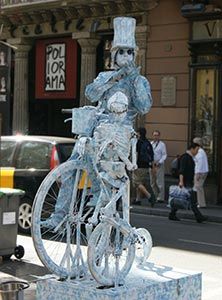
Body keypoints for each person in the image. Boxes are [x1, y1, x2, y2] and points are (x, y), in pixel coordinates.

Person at [85, 17, 152, 125]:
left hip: (126, 130)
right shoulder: (104, 76)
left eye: (129, 52)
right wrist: (114, 78)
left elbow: (144, 108)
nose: (126, 55)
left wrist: (135, 79)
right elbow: (90, 95)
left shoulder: (141, 80)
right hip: (103, 126)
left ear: (134, 55)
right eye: (121, 51)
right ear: (114, 55)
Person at [168, 143, 207, 223]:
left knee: (180, 198)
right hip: (185, 182)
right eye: (196, 150)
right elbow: (181, 171)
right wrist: (181, 181)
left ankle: (172, 214)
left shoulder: (189, 157)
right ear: (192, 149)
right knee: (191, 199)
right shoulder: (185, 157)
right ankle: (198, 217)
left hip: (188, 181)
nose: (197, 152)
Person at [132, 127, 154, 206]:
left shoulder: (138, 142)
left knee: (136, 182)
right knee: (140, 182)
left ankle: (149, 196)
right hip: (146, 165)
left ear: (139, 133)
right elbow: (152, 154)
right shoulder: (148, 142)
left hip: (139, 165)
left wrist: (134, 164)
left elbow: (136, 154)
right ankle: (138, 199)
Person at [150, 130, 167, 202]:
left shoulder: (162, 145)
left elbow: (164, 155)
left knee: (159, 182)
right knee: (152, 182)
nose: (155, 137)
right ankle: (155, 196)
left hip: (158, 164)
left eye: (157, 135)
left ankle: (160, 197)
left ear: (159, 136)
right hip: (151, 164)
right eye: (154, 135)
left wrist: (159, 162)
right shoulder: (151, 143)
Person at [193, 137, 209, 208]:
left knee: (198, 187)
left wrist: (198, 173)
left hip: (200, 172)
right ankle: (197, 202)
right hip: (201, 171)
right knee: (197, 187)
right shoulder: (200, 151)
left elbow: (200, 163)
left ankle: (201, 203)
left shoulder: (200, 152)